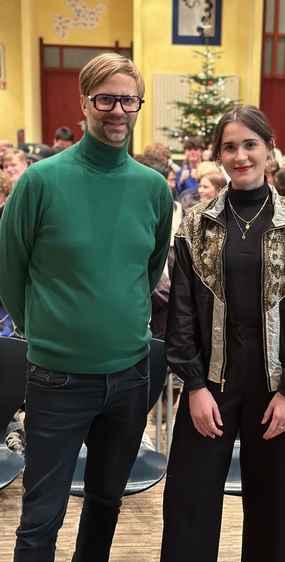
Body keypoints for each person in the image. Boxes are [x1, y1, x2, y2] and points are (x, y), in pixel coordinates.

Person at [0, 52, 173, 562]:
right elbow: (9, 269)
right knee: (41, 515)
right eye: (106, 99)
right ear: (84, 103)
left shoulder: (153, 189)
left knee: (104, 503)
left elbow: (148, 269)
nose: (117, 110)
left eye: (128, 100)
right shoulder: (40, 181)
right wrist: (47, 332)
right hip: (57, 377)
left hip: (130, 376)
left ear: (138, 105)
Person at [160, 104, 285, 562]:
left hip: (276, 380)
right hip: (211, 378)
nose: (241, 156)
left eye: (250, 144)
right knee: (189, 497)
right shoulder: (196, 222)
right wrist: (194, 385)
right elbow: (181, 312)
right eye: (229, 147)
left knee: (271, 503)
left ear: (269, 148)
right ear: (218, 154)